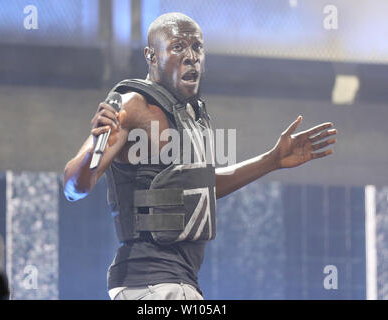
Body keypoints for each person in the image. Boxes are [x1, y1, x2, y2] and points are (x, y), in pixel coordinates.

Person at [63, 12, 337, 300]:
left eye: (197, 47)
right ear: (151, 56)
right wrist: (96, 144)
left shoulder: (193, 116)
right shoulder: (134, 105)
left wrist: (272, 160)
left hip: (178, 282)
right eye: (178, 46)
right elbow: (74, 187)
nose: (191, 56)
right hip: (151, 283)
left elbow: (203, 187)